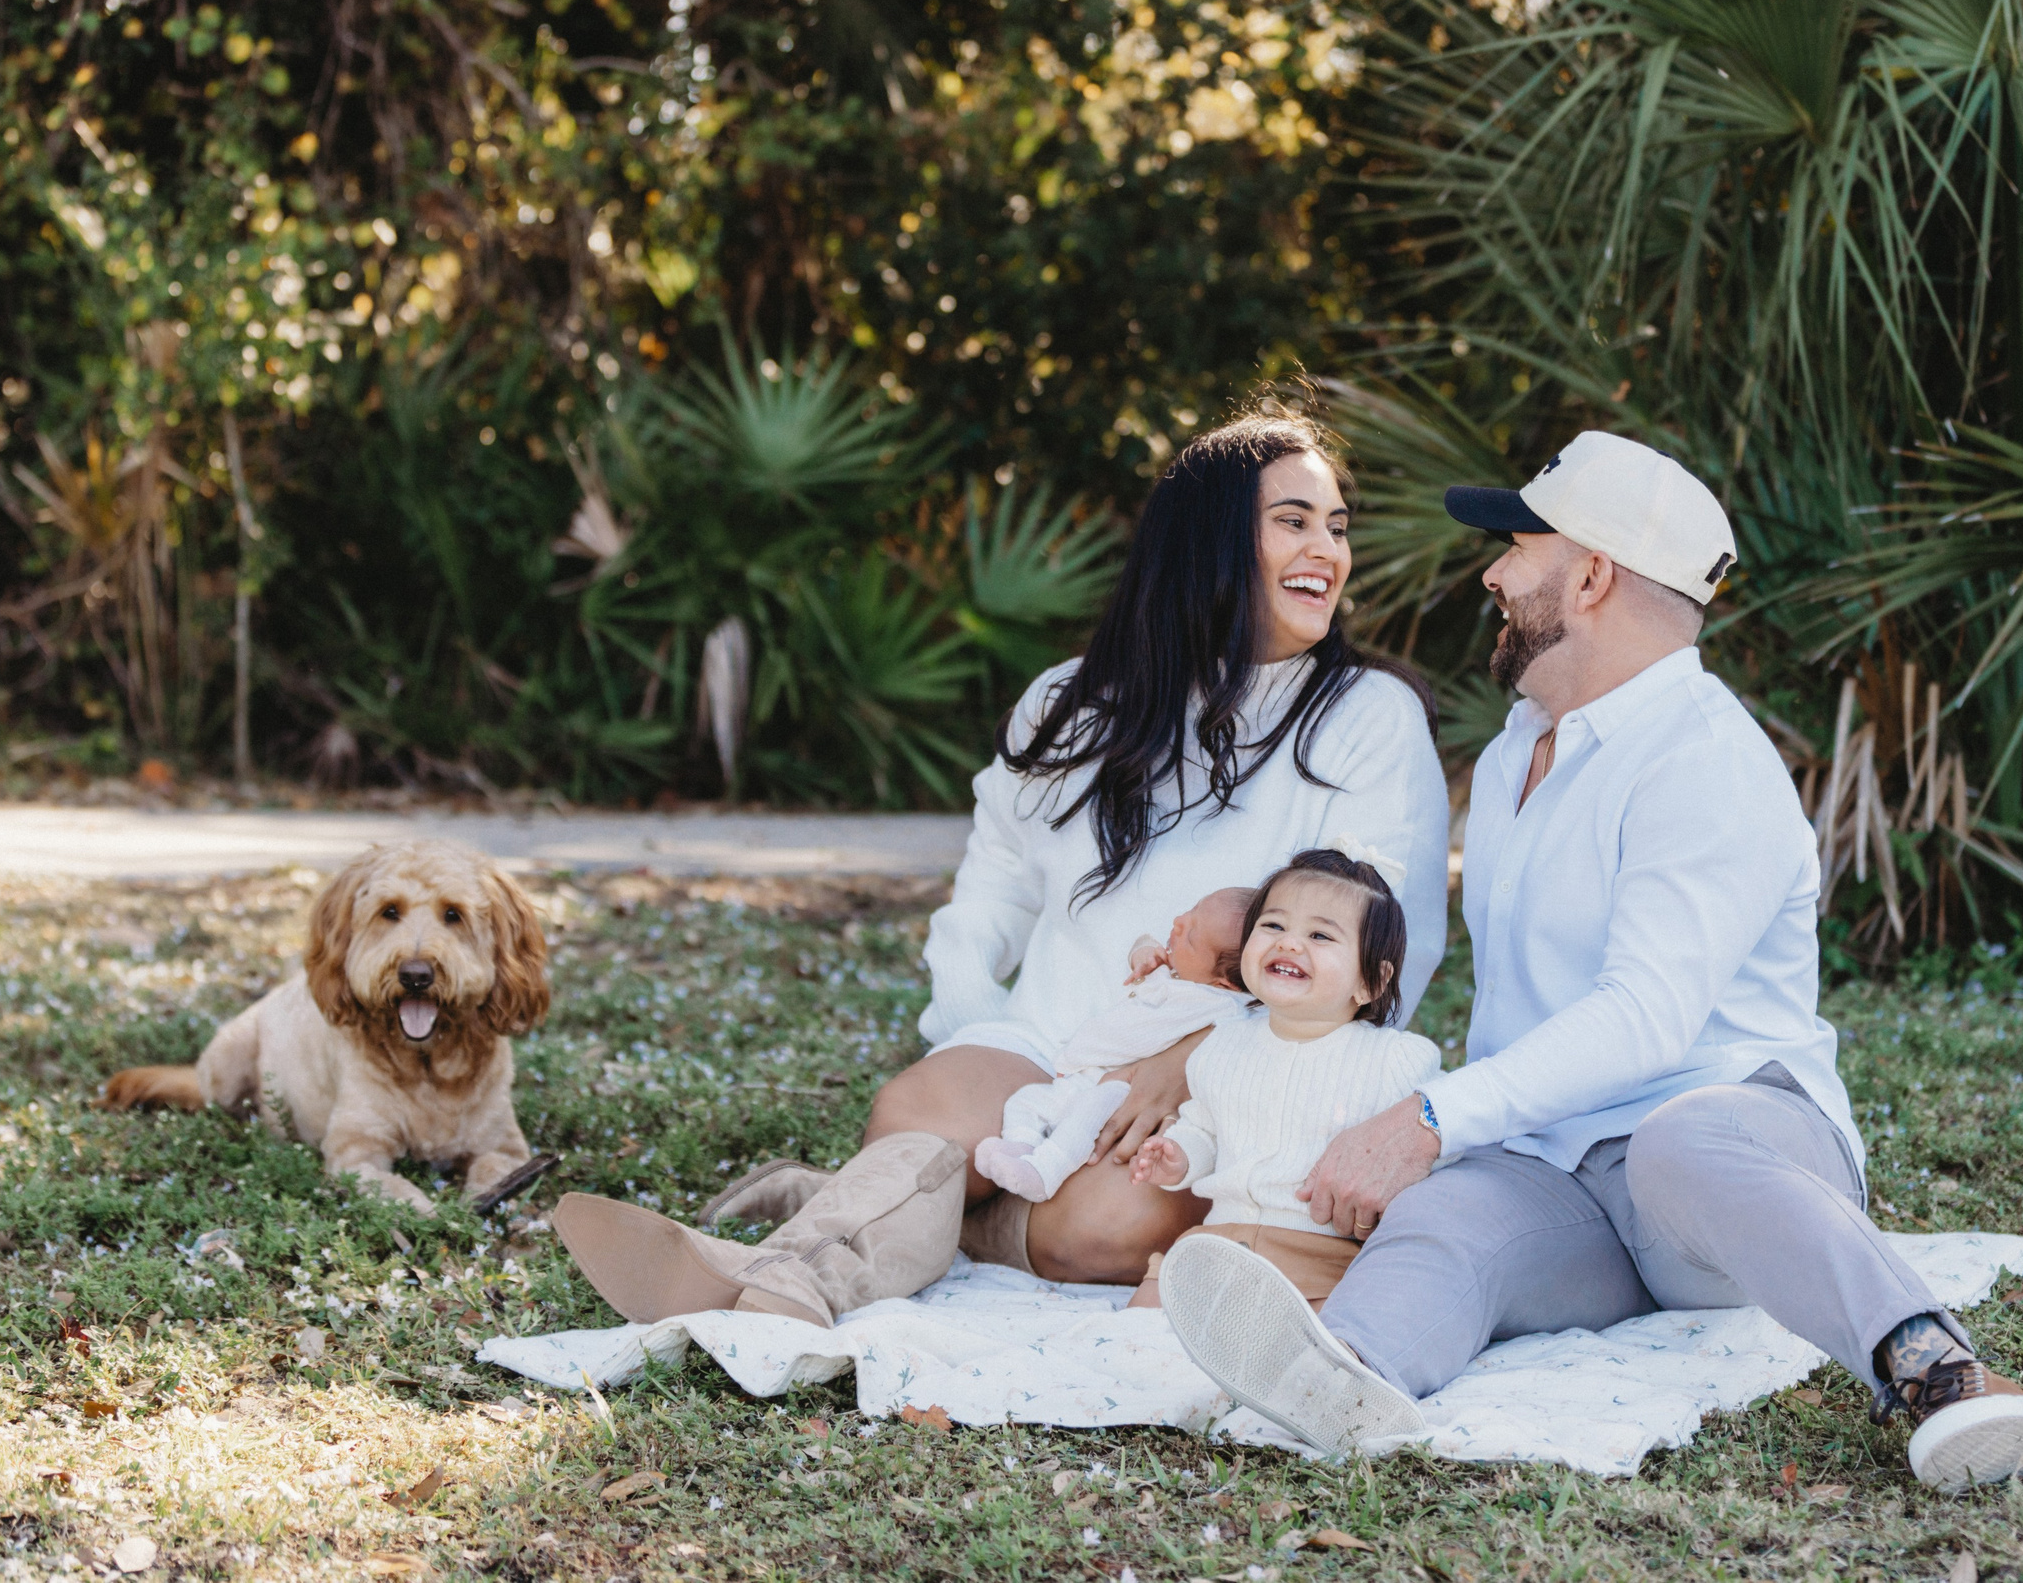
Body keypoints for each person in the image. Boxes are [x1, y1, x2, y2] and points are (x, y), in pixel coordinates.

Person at [1158, 430, 2023, 1492]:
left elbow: (1647, 1018)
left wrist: (1428, 1119)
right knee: (1443, 1216)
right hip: (1558, 1176)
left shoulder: (1703, 759)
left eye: (1517, 548)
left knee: (1676, 1142)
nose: (1492, 573)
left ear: (1589, 573)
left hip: (1723, 1155)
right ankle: (1345, 1375)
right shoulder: (1513, 751)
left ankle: (1941, 1373)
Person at [565, 397, 1454, 1325]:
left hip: (1237, 1069)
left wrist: (1199, 1056)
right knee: (920, 1113)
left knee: (1099, 1231)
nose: (1328, 551)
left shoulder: (1368, 717)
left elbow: (1390, 946)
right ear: (1212, 541)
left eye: (1338, 529)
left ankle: (892, 1208)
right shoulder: (1074, 703)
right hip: (1051, 1042)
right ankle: (784, 1282)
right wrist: (974, 1038)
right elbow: (991, 889)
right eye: (1294, 523)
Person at [1125, 844, 1441, 1311]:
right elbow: (1204, 1130)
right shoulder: (1221, 1047)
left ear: (1371, 981)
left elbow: (1421, 1149)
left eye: (1320, 936)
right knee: (1146, 1313)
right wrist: (1179, 1156)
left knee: (1324, 1336)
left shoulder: (1396, 1060)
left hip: (1324, 1256)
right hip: (1218, 1240)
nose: (1290, 943)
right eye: (1273, 925)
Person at [974, 886, 1259, 1203]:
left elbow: (1242, 1026)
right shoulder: (1173, 971)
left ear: (1226, 983)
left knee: (1086, 1117)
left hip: (1127, 1086)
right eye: (1191, 911)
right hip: (1088, 1071)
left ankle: (1045, 1172)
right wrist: (1143, 953)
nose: (1178, 922)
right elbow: (1143, 944)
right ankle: (1021, 1144)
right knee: (1026, 1101)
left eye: (1191, 935)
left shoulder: (1223, 1005)